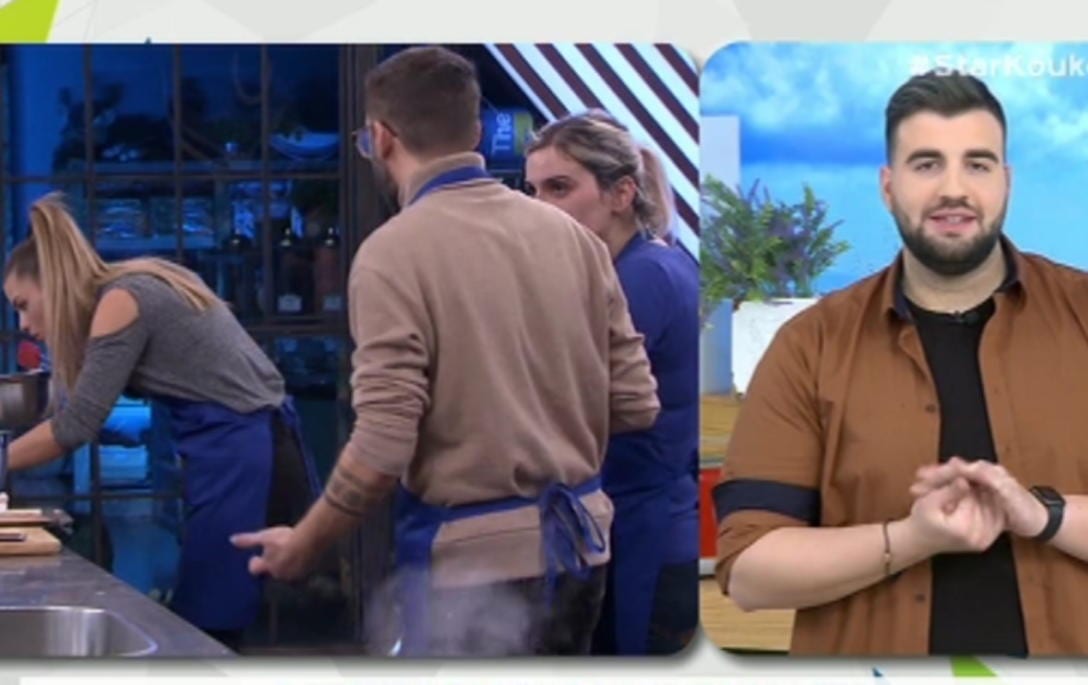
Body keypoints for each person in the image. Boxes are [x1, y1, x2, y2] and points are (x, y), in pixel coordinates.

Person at [712, 71, 1088, 656]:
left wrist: (1042, 514)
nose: (953, 189)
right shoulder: (809, 345)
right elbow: (750, 569)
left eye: (977, 164)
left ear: (1006, 181)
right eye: (926, 164)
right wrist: (910, 538)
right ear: (888, 186)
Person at [230, 46, 660, 657]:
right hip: (581, 556)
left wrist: (306, 542)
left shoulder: (392, 253)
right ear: (476, 132)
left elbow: (382, 447)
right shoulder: (577, 240)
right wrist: (539, 424)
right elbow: (638, 404)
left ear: (381, 138)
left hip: (471, 575)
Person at [2, 193, 320, 650]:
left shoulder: (122, 301)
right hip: (232, 444)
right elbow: (67, 401)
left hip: (239, 446)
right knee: (209, 612)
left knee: (210, 620)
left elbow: (75, 425)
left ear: (52, 283)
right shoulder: (126, 287)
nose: (22, 321)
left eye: (23, 303)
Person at [524, 110, 699, 655]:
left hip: (644, 536)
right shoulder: (649, 263)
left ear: (622, 194)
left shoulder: (642, 277)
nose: (539, 207)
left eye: (559, 188)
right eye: (532, 190)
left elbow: (570, 399)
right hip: (637, 525)